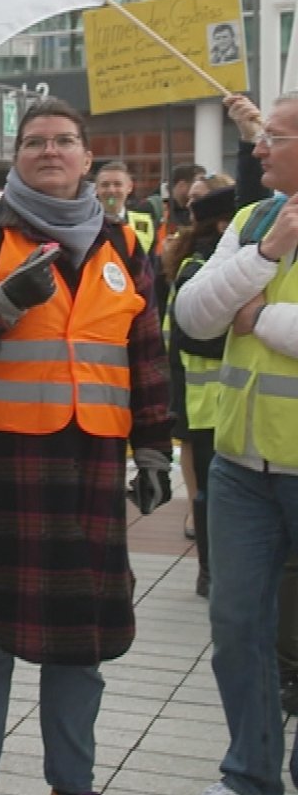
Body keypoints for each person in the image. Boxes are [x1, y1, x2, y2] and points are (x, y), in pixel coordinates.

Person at [0, 97, 168, 795]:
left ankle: (75, 790)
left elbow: (148, 354)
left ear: (88, 158)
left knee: (80, 643)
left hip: (89, 470)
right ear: (16, 157)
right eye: (35, 142)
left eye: (64, 140)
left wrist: (155, 448)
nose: (50, 150)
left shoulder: (125, 244)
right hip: (0, 472)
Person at [168, 94, 298, 795]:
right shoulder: (254, 221)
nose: (257, 149)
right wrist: (267, 254)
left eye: (273, 138)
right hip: (242, 465)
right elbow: (194, 315)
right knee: (235, 622)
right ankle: (252, 781)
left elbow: (238, 316)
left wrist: (263, 318)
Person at [162, 174, 236, 596]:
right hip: (207, 401)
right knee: (212, 494)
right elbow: (194, 336)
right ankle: (209, 571)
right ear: (224, 225)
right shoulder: (199, 266)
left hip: (220, 401)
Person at [96, 160, 156, 255]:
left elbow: (151, 265)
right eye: (105, 185)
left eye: (117, 184)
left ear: (129, 187)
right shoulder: (87, 223)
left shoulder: (146, 223)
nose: (111, 190)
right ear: (96, 189)